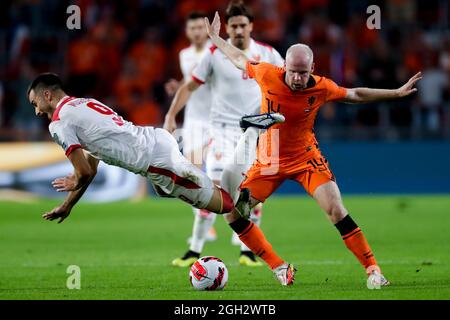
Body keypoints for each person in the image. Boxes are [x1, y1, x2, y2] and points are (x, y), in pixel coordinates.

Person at [204, 11, 423, 287]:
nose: (297, 78)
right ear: (285, 66)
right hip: (268, 159)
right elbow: (238, 58)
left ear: (312, 68)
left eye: (302, 72)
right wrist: (215, 38)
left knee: (335, 210)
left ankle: (373, 271)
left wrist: (395, 93)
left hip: (306, 158)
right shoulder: (267, 74)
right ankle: (280, 267)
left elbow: (354, 94)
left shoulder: (321, 87)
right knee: (232, 212)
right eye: (293, 71)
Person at [164, 0, 285, 268]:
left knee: (253, 195)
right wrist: (171, 115)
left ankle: (247, 251)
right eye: (233, 26)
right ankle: (194, 250)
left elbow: (288, 84)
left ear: (251, 26)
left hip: (258, 131)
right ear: (227, 29)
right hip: (223, 131)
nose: (238, 31)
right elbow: (188, 87)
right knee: (215, 191)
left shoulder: (268, 54)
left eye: (243, 25)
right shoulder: (214, 54)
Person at [27, 73, 235, 224]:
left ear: (47, 95)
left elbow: (84, 172)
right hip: (156, 138)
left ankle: (249, 193)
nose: (36, 111)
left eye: (34, 103)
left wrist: (75, 181)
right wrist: (68, 205)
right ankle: (230, 188)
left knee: (225, 207)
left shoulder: (59, 123)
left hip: (154, 162)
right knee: (163, 191)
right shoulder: (84, 103)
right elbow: (91, 164)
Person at [164, 11, 218, 250]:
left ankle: (239, 228)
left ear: (206, 30)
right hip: (194, 121)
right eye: (192, 28)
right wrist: (179, 88)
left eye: (200, 28)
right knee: (193, 175)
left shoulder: (216, 51)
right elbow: (191, 83)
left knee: (224, 172)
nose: (196, 32)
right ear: (187, 32)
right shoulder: (184, 55)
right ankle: (207, 223)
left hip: (218, 120)